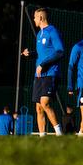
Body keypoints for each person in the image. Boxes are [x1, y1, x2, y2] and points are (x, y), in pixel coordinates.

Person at [21, 7, 64, 136]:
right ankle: (42, 137)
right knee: (38, 107)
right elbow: (42, 54)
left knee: (45, 103)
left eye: (35, 17)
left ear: (40, 17)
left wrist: (44, 64)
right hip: (39, 75)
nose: (34, 19)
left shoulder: (53, 31)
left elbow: (60, 51)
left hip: (51, 73)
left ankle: (59, 132)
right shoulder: (39, 34)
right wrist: (31, 54)